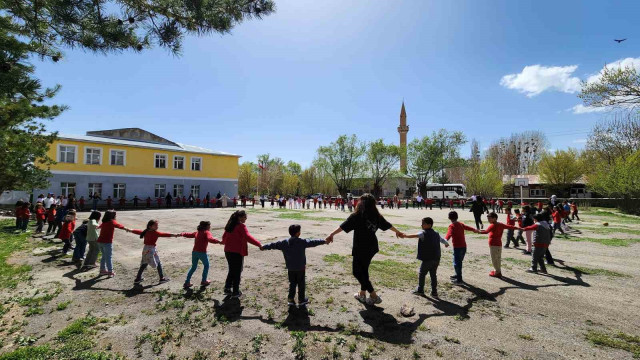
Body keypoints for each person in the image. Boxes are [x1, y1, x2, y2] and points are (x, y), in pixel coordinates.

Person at [325, 193, 405, 305]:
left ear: (362, 203)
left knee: (357, 272)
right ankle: (362, 294)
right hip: (372, 247)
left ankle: (373, 295)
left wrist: (331, 234)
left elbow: (343, 226)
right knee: (364, 270)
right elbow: (388, 225)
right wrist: (397, 232)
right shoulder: (376, 216)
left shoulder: (357, 215)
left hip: (361, 247)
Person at [261, 224, 329, 306]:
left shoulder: (284, 243)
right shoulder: (302, 242)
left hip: (291, 268)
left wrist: (263, 246)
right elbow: (313, 242)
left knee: (292, 283)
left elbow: (273, 245)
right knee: (301, 284)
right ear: (298, 233)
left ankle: (290, 299)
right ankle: (301, 300)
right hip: (300, 268)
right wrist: (324, 241)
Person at [404, 217, 449, 297]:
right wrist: (446, 243)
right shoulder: (436, 233)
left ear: (429, 225)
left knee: (422, 274)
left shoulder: (423, 233)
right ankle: (434, 292)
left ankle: (420, 290)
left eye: (423, 223)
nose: (421, 225)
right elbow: (442, 239)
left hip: (428, 259)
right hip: (436, 258)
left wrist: (405, 235)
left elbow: (415, 235)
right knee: (433, 275)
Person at [222, 210, 262, 297]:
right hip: (236, 252)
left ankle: (227, 288)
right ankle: (235, 291)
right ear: (239, 218)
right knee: (237, 272)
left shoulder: (230, 225)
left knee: (232, 270)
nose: (246, 218)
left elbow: (224, 238)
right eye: (244, 217)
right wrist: (258, 244)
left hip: (228, 251)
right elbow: (248, 237)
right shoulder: (241, 226)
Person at [131, 220, 176, 285]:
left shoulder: (145, 231)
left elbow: (136, 231)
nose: (157, 226)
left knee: (144, 263)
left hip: (145, 249)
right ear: (150, 226)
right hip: (151, 250)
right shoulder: (155, 233)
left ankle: (138, 278)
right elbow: (165, 234)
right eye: (155, 225)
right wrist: (175, 235)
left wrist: (128, 229)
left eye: (157, 225)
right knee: (158, 262)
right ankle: (162, 278)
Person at [180, 221, 221, 288]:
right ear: (206, 226)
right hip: (202, 253)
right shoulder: (206, 232)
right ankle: (204, 281)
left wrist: (182, 234)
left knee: (193, 267)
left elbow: (189, 234)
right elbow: (210, 239)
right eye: (209, 226)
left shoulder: (197, 232)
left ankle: (187, 282)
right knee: (206, 265)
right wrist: (219, 242)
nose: (210, 227)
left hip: (194, 252)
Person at [479, 212, 517, 278]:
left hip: (493, 244)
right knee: (498, 258)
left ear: (495, 218)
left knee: (494, 258)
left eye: (490, 218)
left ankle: (497, 272)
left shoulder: (492, 225)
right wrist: (519, 228)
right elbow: (510, 226)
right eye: (488, 219)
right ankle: (498, 271)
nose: (489, 220)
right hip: (499, 244)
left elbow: (486, 232)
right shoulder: (500, 224)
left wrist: (477, 231)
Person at [444, 211, 477, 284]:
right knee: (458, 262)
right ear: (457, 217)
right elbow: (467, 227)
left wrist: (445, 241)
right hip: (463, 246)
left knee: (457, 263)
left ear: (449, 218)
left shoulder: (452, 226)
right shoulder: (460, 224)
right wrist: (474, 229)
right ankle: (457, 275)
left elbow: (449, 234)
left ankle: (459, 279)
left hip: (457, 247)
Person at [97, 210, 131, 277]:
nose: (116, 216)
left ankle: (102, 270)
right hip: (107, 242)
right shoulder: (112, 221)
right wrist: (126, 228)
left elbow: (99, 226)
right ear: (112, 216)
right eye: (115, 215)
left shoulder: (104, 222)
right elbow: (118, 225)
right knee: (108, 257)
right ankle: (110, 272)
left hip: (100, 241)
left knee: (104, 256)